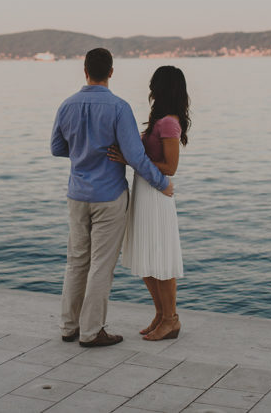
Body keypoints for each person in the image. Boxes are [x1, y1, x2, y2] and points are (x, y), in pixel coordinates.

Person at [51, 48, 174, 348]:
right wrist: (161, 182)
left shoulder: (67, 105)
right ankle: (91, 332)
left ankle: (69, 327)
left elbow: (57, 148)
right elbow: (134, 155)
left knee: (76, 262)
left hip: (77, 194)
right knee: (101, 266)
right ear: (111, 71)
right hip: (109, 196)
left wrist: (82, 153)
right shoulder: (119, 108)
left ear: (85, 71)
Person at [109, 65, 190, 341]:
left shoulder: (168, 122)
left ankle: (171, 320)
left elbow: (170, 167)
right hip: (145, 192)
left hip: (157, 197)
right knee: (147, 258)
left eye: (154, 84)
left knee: (161, 259)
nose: (150, 89)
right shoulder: (158, 120)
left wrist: (130, 159)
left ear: (161, 88)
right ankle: (160, 314)